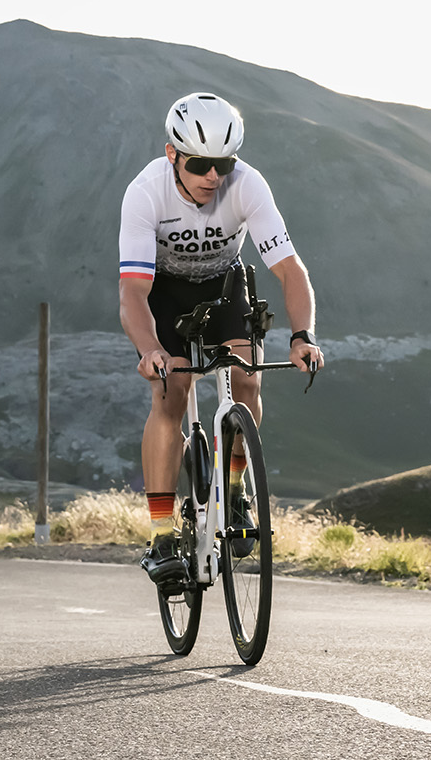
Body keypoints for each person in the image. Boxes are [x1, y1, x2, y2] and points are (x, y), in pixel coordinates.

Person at [118, 92, 323, 589]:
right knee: (171, 394)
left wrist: (302, 335)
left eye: (224, 164)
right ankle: (162, 536)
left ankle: (233, 489)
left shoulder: (248, 185)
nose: (214, 176)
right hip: (164, 293)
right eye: (201, 164)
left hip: (224, 284)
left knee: (246, 380)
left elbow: (290, 270)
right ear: (172, 155)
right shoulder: (145, 194)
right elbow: (133, 292)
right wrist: (150, 350)